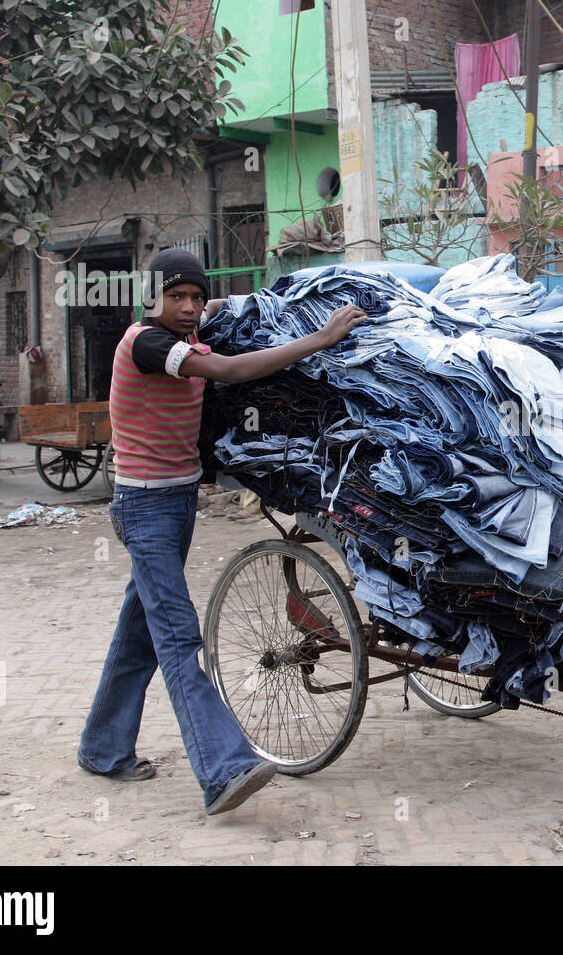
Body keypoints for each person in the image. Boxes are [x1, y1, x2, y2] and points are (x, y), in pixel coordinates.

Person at [77, 248, 366, 815]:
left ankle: (102, 748)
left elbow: (232, 308)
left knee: (141, 632)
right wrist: (320, 339)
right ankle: (223, 768)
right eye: (175, 296)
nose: (187, 307)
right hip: (144, 509)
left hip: (179, 503)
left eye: (194, 297)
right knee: (180, 638)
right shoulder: (146, 343)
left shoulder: (188, 326)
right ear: (150, 299)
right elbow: (230, 370)